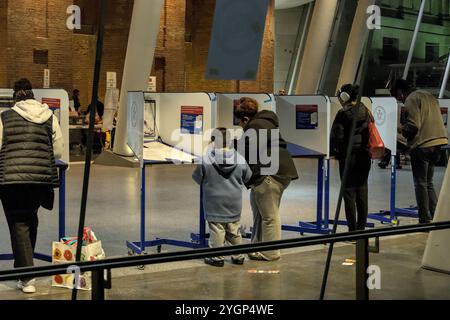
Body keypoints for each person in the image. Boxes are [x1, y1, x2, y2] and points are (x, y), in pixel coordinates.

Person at [0, 79, 64, 293]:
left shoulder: (4, 117)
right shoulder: (50, 117)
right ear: (32, 95)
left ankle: (26, 277)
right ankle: (24, 270)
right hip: (40, 179)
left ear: (15, 96)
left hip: (12, 180)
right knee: (30, 220)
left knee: (18, 224)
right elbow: (58, 151)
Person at [234, 97, 298, 261]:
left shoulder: (254, 126)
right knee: (260, 212)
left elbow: (246, 153)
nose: (241, 126)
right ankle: (258, 246)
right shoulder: (266, 122)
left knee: (269, 215)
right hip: (279, 171)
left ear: (245, 119)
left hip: (270, 174)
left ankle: (271, 252)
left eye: (240, 123)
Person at [192, 128, 252, 267]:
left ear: (213, 141)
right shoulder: (239, 158)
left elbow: (197, 178)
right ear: (230, 141)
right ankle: (238, 256)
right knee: (234, 229)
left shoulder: (206, 158)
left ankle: (217, 257)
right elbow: (247, 176)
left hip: (214, 203)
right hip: (234, 202)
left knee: (217, 229)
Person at [391, 79, 448, 224]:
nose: (401, 100)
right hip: (439, 143)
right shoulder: (428, 95)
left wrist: (399, 129)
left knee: (420, 183)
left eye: (399, 98)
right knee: (428, 183)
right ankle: (436, 216)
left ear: (400, 91)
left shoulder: (411, 98)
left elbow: (413, 127)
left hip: (423, 145)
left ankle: (424, 219)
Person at [330, 84, 371, 232]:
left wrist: (334, 152)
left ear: (344, 97)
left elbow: (337, 137)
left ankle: (352, 231)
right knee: (362, 191)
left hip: (349, 157)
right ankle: (361, 229)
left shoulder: (343, 113)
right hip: (365, 156)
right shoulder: (365, 110)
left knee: (349, 193)